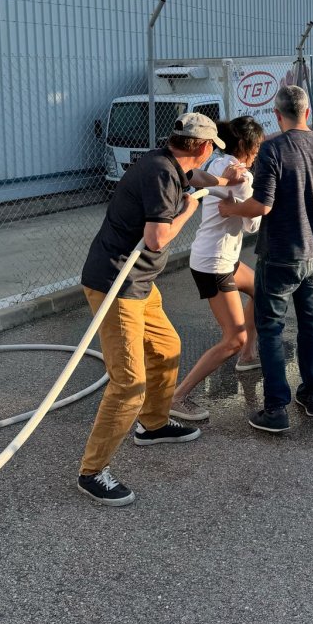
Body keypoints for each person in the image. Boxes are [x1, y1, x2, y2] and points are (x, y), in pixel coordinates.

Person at [77, 112, 245, 506]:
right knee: (129, 383)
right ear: (203, 147)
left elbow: (197, 180)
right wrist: (188, 209)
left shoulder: (168, 163)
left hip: (138, 284)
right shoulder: (161, 174)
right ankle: (91, 472)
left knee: (167, 346)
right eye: (211, 152)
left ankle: (152, 425)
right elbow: (155, 238)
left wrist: (225, 183)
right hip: (116, 286)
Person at [218, 84, 313, 433]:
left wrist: (230, 207)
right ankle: (312, 395)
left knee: (272, 329)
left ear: (277, 114)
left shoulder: (272, 149)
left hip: (280, 255)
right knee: (311, 324)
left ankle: (276, 409)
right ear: (307, 111)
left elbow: (262, 205)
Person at [170, 116, 266, 422]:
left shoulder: (217, 162)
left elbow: (219, 194)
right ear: (245, 145)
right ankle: (178, 396)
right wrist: (248, 200)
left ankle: (248, 356)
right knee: (232, 338)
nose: (258, 152)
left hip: (216, 255)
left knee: (260, 288)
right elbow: (252, 224)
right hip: (215, 262)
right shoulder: (243, 176)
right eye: (257, 146)